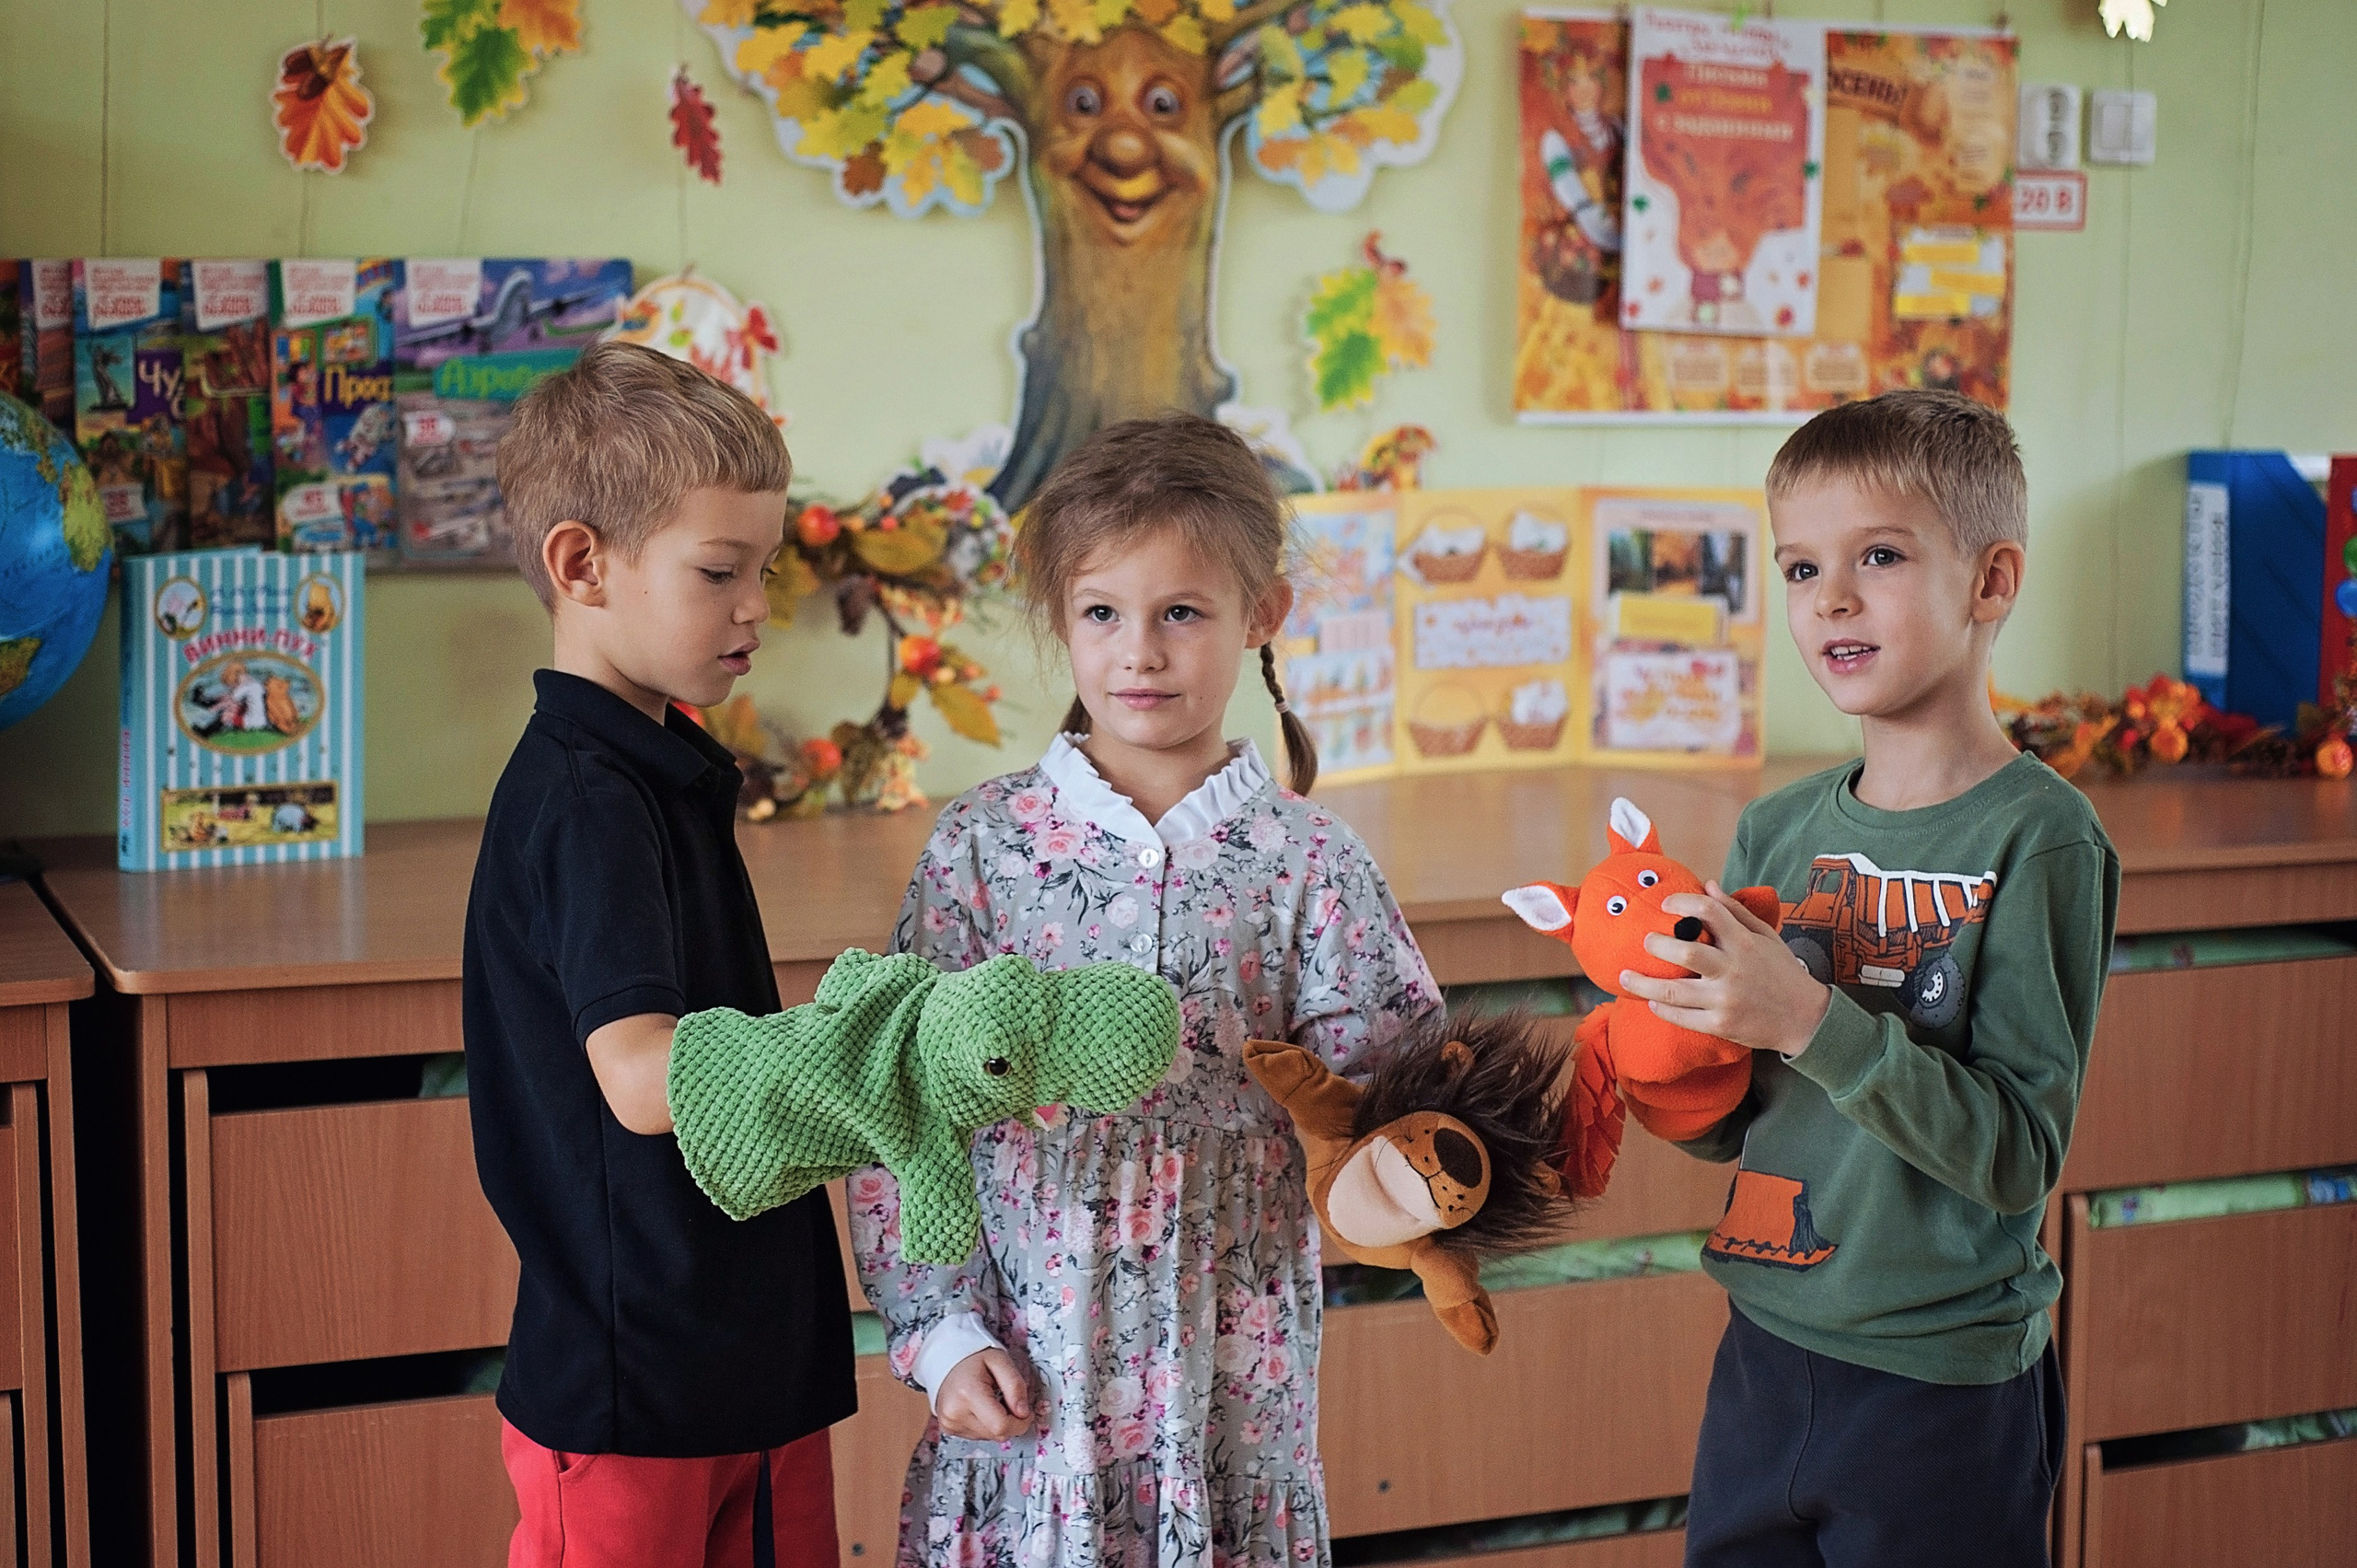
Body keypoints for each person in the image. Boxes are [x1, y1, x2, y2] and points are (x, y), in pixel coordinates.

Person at [851, 412, 1442, 1568]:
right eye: (1101, 614)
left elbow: (1390, 1099)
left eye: (1181, 611)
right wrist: (937, 1328)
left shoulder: (1310, 861)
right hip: (1029, 1367)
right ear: (1061, 622)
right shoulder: (980, 848)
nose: (1140, 653)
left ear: (1261, 613)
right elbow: (898, 1107)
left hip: (1237, 1367)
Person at [1618, 390, 2119, 1568]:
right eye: (1799, 567)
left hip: (1940, 1382)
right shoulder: (1775, 830)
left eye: (1877, 556)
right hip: (1762, 1346)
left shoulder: (2039, 840)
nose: (1830, 597)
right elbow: (1736, 1128)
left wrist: (1806, 1018)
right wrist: (1668, 1062)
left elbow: (2013, 1157)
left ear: (1991, 581)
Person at [461, 342, 853, 1568]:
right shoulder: (584, 796)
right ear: (585, 564)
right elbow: (639, 1075)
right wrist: (856, 1060)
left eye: (767, 571)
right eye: (719, 571)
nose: (755, 607)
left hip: (753, 1358)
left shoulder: (658, 762)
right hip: (637, 1384)